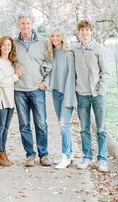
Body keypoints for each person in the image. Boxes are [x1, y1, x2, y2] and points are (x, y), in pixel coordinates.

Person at [14, 15, 51, 167]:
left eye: (28, 23)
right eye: (22, 23)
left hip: (37, 89)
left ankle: (44, 155)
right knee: (24, 125)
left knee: (41, 123)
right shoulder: (13, 43)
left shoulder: (43, 42)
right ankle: (30, 155)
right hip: (19, 89)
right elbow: (8, 59)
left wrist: (45, 83)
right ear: (19, 25)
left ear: (32, 24)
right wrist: (15, 68)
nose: (25, 26)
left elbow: (50, 63)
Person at [72, 20, 110, 172]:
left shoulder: (98, 49)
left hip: (97, 95)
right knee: (84, 128)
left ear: (91, 32)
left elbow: (105, 71)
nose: (85, 33)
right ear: (79, 33)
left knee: (101, 128)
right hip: (82, 94)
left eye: (87, 31)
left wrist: (100, 90)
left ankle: (102, 160)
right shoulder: (75, 50)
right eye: (82, 31)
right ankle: (87, 157)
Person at [45, 28, 77, 169]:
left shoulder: (69, 54)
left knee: (64, 125)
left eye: (58, 36)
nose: (55, 38)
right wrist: (46, 68)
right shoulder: (51, 53)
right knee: (63, 125)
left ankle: (65, 156)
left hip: (67, 94)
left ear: (62, 37)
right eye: (53, 36)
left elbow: (71, 77)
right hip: (56, 93)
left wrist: (69, 98)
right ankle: (69, 154)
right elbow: (45, 67)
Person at [0, 36, 25, 167]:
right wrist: (16, 76)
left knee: (5, 128)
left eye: (9, 45)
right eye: (4, 45)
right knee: (0, 128)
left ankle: (3, 153)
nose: (6, 47)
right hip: (0, 98)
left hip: (10, 99)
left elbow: (9, 81)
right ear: (0, 46)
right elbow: (0, 82)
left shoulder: (11, 62)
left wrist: (16, 74)